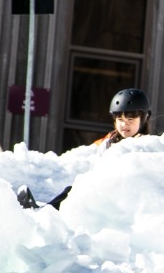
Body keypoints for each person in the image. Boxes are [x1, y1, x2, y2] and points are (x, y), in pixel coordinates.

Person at [17, 88, 150, 210]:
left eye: (131, 119)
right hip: (103, 191)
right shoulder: (109, 143)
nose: (124, 124)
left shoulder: (147, 146)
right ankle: (45, 213)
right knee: (72, 191)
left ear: (144, 119)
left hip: (123, 200)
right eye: (120, 119)